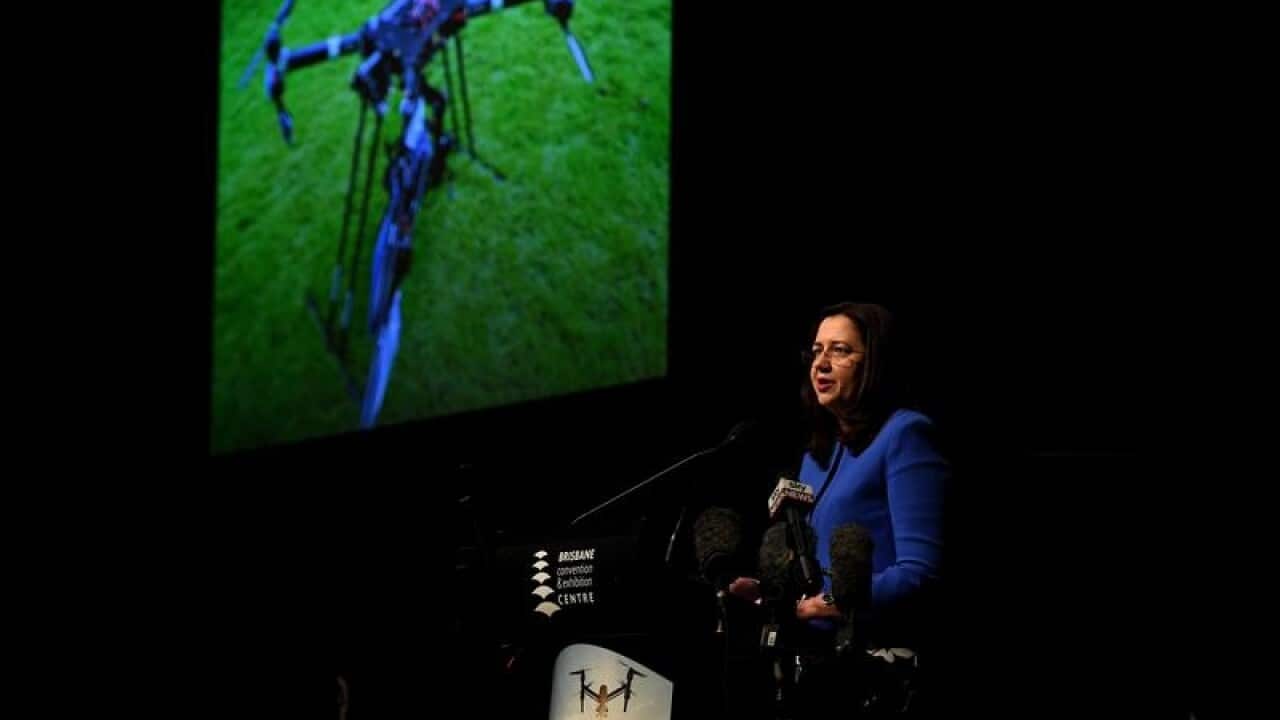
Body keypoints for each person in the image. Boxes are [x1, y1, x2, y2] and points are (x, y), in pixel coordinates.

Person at [728, 302, 950, 717]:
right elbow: (815, 570)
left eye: (840, 350)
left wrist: (829, 603)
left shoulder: (906, 434)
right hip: (815, 671)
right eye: (816, 351)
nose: (821, 364)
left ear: (875, 363)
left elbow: (921, 573)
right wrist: (773, 596)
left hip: (880, 673)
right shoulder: (818, 455)